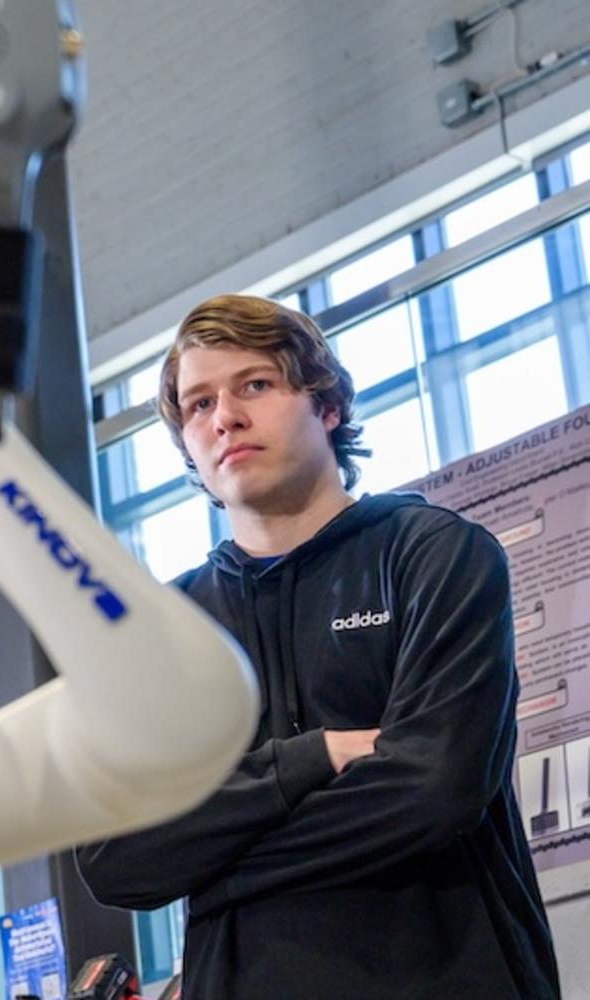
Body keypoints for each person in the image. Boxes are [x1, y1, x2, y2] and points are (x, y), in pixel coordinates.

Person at [75, 294, 559, 998]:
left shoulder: (436, 555)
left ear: (327, 405)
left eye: (255, 385)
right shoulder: (163, 631)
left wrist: (213, 863)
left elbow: (435, 788)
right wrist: (311, 759)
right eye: (199, 404)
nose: (225, 417)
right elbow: (115, 861)